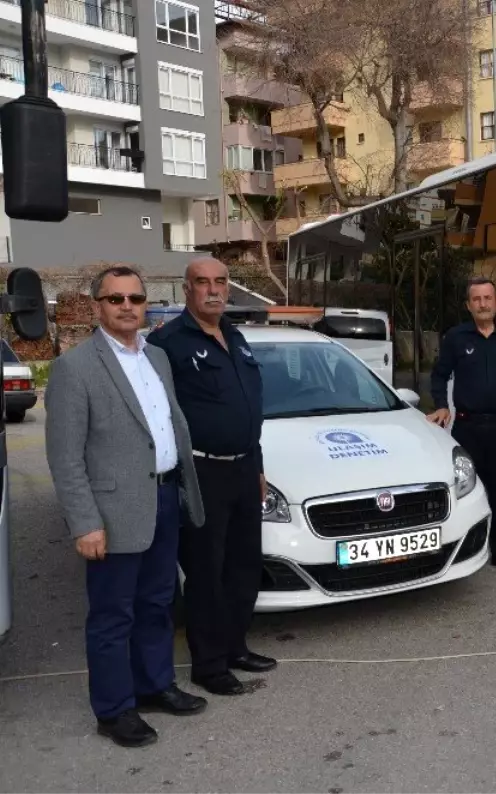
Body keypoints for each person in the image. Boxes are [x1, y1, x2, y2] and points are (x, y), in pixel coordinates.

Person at [44, 265, 208, 748]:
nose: (127, 307)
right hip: (112, 513)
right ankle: (114, 710)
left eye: (136, 298)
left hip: (163, 497)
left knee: (157, 604)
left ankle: (154, 685)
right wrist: (85, 523)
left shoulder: (157, 358)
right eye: (116, 299)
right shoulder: (76, 368)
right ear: (97, 306)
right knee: (113, 615)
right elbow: (65, 456)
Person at [147, 257, 273, 697]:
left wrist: (256, 464)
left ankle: (235, 645)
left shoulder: (236, 337)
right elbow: (158, 417)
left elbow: (248, 409)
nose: (213, 290)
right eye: (203, 283)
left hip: (242, 469)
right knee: (206, 572)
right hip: (201, 472)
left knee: (243, 568)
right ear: (187, 290)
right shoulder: (167, 345)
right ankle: (209, 664)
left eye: (220, 282)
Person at [428, 277, 496, 573]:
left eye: (488, 298)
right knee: (464, 491)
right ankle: (464, 551)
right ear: (468, 305)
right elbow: (439, 376)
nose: (483, 304)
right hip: (467, 429)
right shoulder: (456, 338)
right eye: (477, 299)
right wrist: (441, 405)